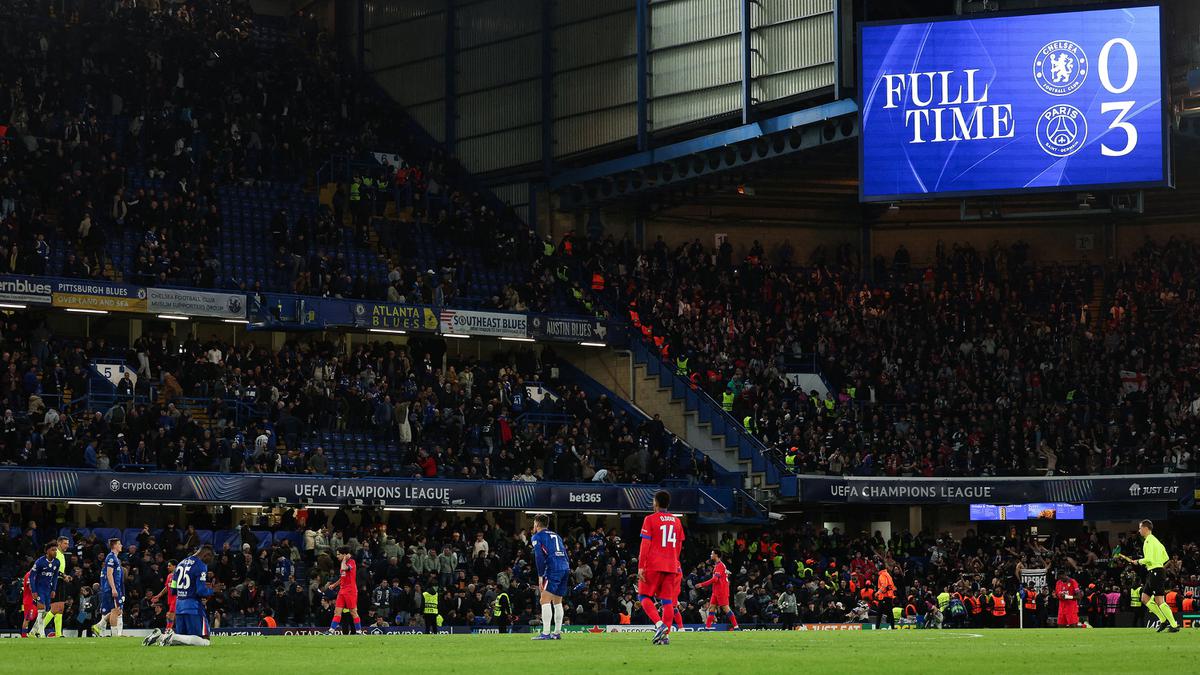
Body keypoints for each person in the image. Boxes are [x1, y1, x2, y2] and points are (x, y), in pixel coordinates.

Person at [639, 490, 685, 646]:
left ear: (656, 503)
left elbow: (645, 544)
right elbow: (679, 545)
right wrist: (674, 561)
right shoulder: (677, 521)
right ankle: (665, 637)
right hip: (671, 565)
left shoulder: (650, 519)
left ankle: (660, 625)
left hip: (653, 564)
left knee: (643, 596)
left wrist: (641, 566)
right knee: (667, 601)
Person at [149, 545, 215, 646]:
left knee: (183, 641)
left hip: (179, 607)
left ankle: (160, 636)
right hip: (193, 607)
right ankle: (171, 636)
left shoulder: (180, 564)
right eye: (211, 558)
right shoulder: (201, 565)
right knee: (205, 640)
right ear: (207, 555)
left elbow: (173, 589)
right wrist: (212, 590)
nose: (210, 562)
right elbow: (201, 591)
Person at [1126, 519, 1180, 633]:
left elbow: (1149, 559)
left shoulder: (1148, 541)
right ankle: (1163, 620)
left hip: (1156, 572)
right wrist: (1157, 562)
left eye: (1140, 528)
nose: (1139, 530)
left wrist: (1138, 561)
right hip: (1154, 572)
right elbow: (1166, 557)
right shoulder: (1156, 541)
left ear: (1145, 528)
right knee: (1144, 598)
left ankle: (1174, 625)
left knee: (1159, 600)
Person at [531, 513, 570, 640]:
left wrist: (540, 575)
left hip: (553, 569)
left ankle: (546, 633)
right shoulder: (556, 535)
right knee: (558, 601)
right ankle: (557, 632)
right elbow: (565, 553)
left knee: (544, 600)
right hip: (565, 567)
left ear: (537, 523)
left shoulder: (537, 536)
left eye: (534, 523)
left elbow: (539, 556)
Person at [697, 550, 738, 630]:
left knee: (726, 609)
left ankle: (736, 627)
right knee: (711, 608)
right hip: (716, 591)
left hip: (721, 591)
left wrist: (702, 584)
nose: (711, 555)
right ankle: (707, 628)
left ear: (716, 555)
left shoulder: (720, 565)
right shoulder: (717, 565)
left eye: (712, 553)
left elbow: (715, 579)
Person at [91, 538, 124, 637]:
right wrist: (113, 588)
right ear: (114, 546)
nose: (121, 545)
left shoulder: (115, 558)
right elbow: (109, 574)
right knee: (115, 610)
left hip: (114, 587)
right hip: (111, 588)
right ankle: (115, 635)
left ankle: (98, 626)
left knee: (117, 610)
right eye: (119, 544)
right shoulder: (111, 557)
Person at [326, 546, 361, 634]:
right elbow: (342, 577)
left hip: (350, 591)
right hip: (342, 591)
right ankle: (331, 630)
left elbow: (344, 568)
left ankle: (359, 631)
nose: (337, 556)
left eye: (339, 554)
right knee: (337, 612)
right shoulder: (343, 563)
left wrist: (344, 559)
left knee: (353, 612)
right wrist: (334, 585)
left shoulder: (351, 562)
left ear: (344, 555)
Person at [41, 537, 71, 638]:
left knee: (60, 608)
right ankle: (37, 629)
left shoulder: (62, 555)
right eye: (65, 543)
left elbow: (59, 570)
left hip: (60, 581)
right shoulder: (55, 553)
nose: (67, 546)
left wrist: (65, 576)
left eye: (68, 544)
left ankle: (58, 633)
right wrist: (63, 576)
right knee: (55, 607)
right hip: (54, 582)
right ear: (59, 543)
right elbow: (51, 568)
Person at [30, 544, 62, 638]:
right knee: (41, 610)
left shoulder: (57, 562)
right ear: (47, 551)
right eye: (53, 550)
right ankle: (41, 633)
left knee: (46, 611)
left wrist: (53, 589)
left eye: (56, 550)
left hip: (48, 589)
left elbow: (55, 576)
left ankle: (32, 631)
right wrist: (34, 591)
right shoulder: (40, 562)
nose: (55, 552)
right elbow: (32, 576)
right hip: (39, 588)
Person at [150, 560, 178, 632]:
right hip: (170, 599)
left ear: (175, 566)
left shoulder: (178, 575)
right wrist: (158, 595)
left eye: (169, 566)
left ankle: (168, 631)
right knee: (172, 616)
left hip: (176, 598)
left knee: (170, 615)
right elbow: (166, 587)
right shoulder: (169, 576)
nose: (168, 567)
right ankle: (171, 630)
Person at [876, 564, 897, 629]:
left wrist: (877, 593)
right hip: (889, 596)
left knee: (879, 613)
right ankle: (893, 627)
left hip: (883, 597)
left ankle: (877, 627)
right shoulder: (888, 575)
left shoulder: (882, 575)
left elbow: (884, 585)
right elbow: (892, 586)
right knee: (890, 613)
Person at [20, 569, 38, 638]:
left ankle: (33, 633)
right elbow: (31, 587)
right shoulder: (29, 574)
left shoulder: (35, 574)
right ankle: (24, 635)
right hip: (28, 600)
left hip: (34, 600)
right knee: (27, 619)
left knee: (38, 616)